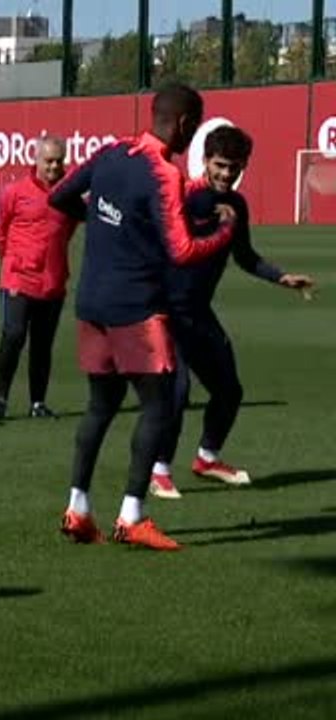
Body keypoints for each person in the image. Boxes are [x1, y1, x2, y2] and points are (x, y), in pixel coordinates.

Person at [48, 83, 236, 551]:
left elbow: (60, 196)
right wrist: (224, 231)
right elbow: (183, 250)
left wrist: (101, 220)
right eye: (194, 127)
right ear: (184, 124)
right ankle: (132, 516)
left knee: (100, 405)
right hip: (135, 308)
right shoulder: (162, 172)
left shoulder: (111, 152)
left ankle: (78, 509)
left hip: (91, 302)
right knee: (159, 405)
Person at [148, 126, 316, 499]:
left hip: (198, 313)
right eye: (220, 165)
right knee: (177, 393)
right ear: (205, 161)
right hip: (166, 312)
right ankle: (159, 470)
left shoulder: (237, 206)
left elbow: (245, 256)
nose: (226, 174)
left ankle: (207, 459)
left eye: (234, 167)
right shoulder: (183, 198)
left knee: (229, 390)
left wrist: (281, 277)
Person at [0, 136, 79, 420]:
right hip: (19, 279)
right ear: (36, 160)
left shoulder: (68, 196)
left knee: (42, 344)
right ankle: (0, 399)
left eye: (58, 161)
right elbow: (0, 231)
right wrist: (14, 261)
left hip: (52, 282)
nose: (54, 166)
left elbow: (68, 231)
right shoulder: (15, 192)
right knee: (13, 335)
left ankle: (37, 403)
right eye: (48, 161)